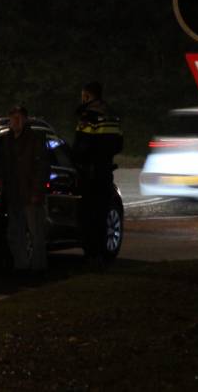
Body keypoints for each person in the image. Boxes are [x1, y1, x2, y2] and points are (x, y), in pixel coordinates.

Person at [72, 81, 123, 261]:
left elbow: (82, 145)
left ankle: (92, 253)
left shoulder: (89, 116)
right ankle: (102, 253)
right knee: (103, 212)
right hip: (105, 171)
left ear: (87, 96)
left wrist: (75, 159)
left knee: (89, 214)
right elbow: (118, 144)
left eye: (82, 96)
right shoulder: (112, 115)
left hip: (89, 173)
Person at [0, 105, 50, 275]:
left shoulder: (35, 139)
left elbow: (42, 168)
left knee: (36, 234)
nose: (15, 121)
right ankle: (20, 266)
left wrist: (36, 192)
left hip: (30, 195)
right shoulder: (7, 139)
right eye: (13, 117)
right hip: (14, 195)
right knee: (15, 233)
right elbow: (4, 167)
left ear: (25, 119)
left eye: (19, 117)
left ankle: (37, 268)